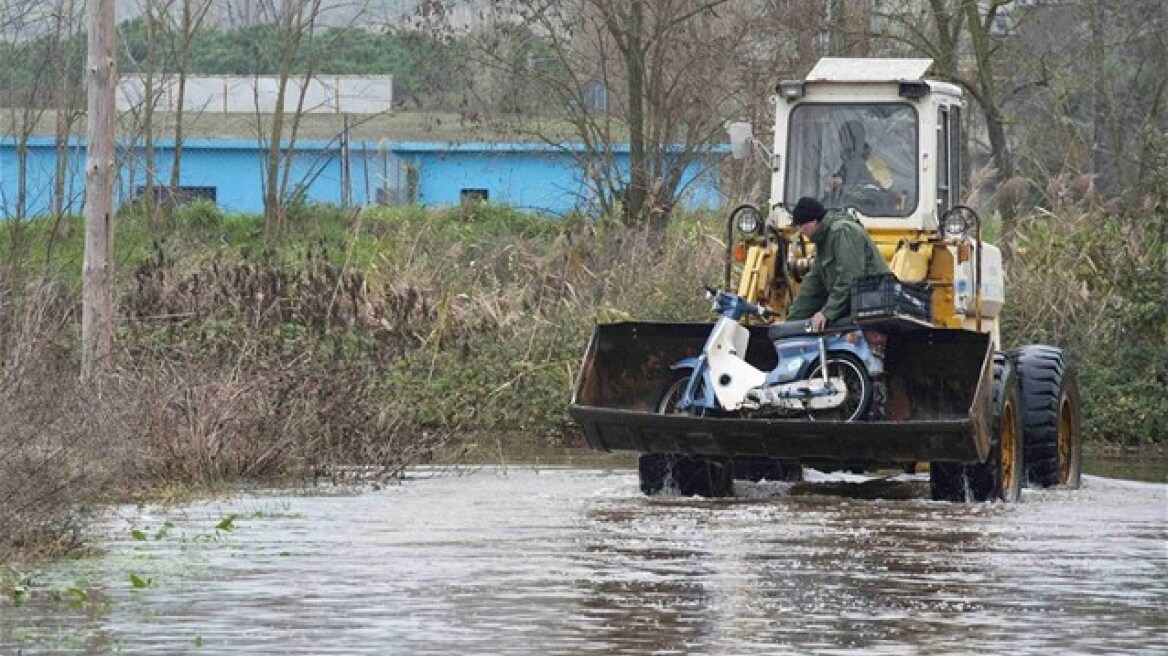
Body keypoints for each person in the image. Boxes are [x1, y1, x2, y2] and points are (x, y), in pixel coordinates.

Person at [786, 196, 890, 331]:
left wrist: (827, 312)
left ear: (814, 221)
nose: (800, 231)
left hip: (874, 305)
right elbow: (814, 284)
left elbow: (850, 276)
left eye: (801, 225)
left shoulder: (842, 231)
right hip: (857, 306)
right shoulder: (823, 241)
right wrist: (791, 322)